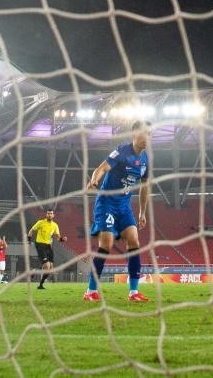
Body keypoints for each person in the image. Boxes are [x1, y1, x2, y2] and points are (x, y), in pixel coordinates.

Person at [85, 121, 152, 303]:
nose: (146, 138)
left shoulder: (146, 160)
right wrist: (94, 180)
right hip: (106, 203)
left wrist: (142, 213)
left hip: (124, 206)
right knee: (106, 244)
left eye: (149, 134)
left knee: (134, 241)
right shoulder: (121, 152)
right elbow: (102, 168)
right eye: (143, 133)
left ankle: (134, 292)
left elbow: (144, 187)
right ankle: (91, 291)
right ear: (134, 135)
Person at [27, 210, 66, 289]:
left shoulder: (55, 225)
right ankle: (39, 281)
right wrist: (29, 242)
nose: (49, 215)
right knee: (47, 266)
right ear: (46, 214)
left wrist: (62, 239)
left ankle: (40, 283)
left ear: (53, 215)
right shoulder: (40, 222)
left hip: (48, 246)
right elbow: (31, 231)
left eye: (51, 213)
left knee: (50, 268)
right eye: (48, 213)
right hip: (40, 245)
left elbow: (58, 238)